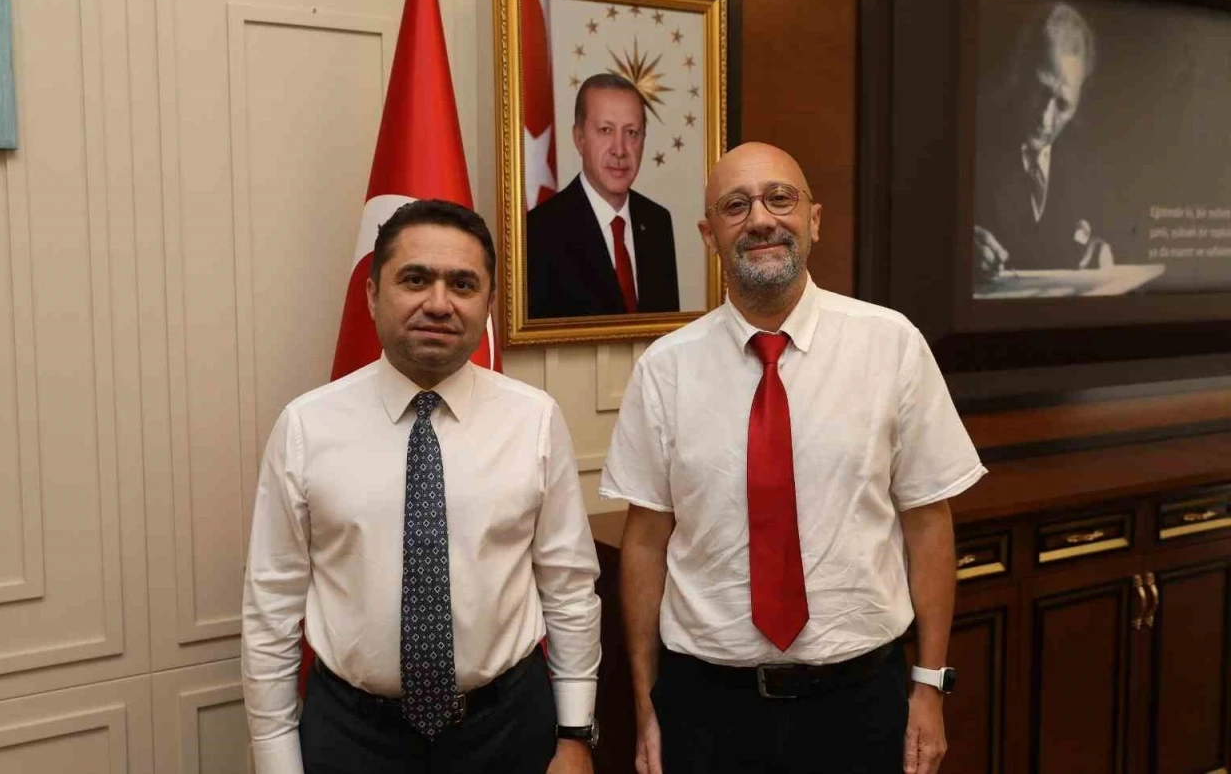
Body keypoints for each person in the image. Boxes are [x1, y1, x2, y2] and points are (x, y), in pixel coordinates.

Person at [602, 143, 987, 774]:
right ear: (708, 235)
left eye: (780, 198)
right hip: (707, 711)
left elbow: (927, 522)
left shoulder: (892, 345)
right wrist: (646, 705)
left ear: (814, 219)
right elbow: (645, 543)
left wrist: (929, 685)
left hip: (861, 703)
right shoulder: (664, 370)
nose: (761, 219)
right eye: (735, 206)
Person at [242, 200, 602, 774]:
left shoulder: (534, 419)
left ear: (488, 303)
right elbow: (272, 607)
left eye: (463, 284)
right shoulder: (307, 426)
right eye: (414, 279)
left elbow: (568, 586)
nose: (439, 303)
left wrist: (576, 734)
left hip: (508, 728)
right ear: (371, 294)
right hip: (352, 736)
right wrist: (275, 760)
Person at [974, 1, 1115, 282]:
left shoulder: (1089, 161)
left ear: (1078, 101)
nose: (1044, 118)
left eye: (1063, 105)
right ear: (1018, 74)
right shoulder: (975, 136)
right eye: (1039, 91)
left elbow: (1106, 233)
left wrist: (1099, 250)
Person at [527, 73, 680, 318]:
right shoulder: (539, 231)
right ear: (579, 138)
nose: (620, 150)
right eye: (605, 130)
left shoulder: (657, 222)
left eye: (632, 132)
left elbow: (666, 331)